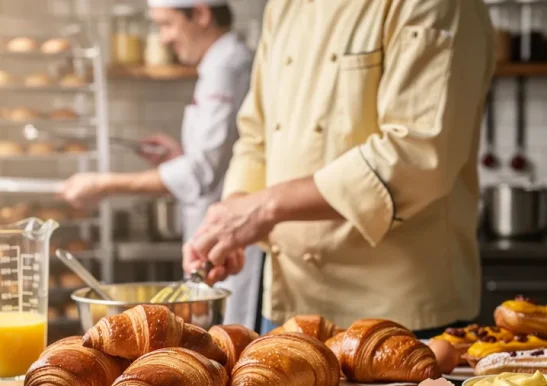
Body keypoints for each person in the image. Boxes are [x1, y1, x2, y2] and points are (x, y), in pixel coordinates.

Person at [182, 0, 495, 337]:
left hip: (397, 315)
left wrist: (261, 210)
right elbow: (257, 135)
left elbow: (416, 156)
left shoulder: (435, 5)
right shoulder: (285, 5)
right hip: (289, 308)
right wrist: (233, 214)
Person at [59, 0, 262, 328]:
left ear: (201, 14)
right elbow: (215, 160)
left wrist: (105, 184)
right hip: (212, 240)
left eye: (167, 25)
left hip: (230, 247)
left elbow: (201, 173)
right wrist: (177, 157)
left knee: (225, 343)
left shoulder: (227, 67)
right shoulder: (218, 65)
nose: (163, 39)